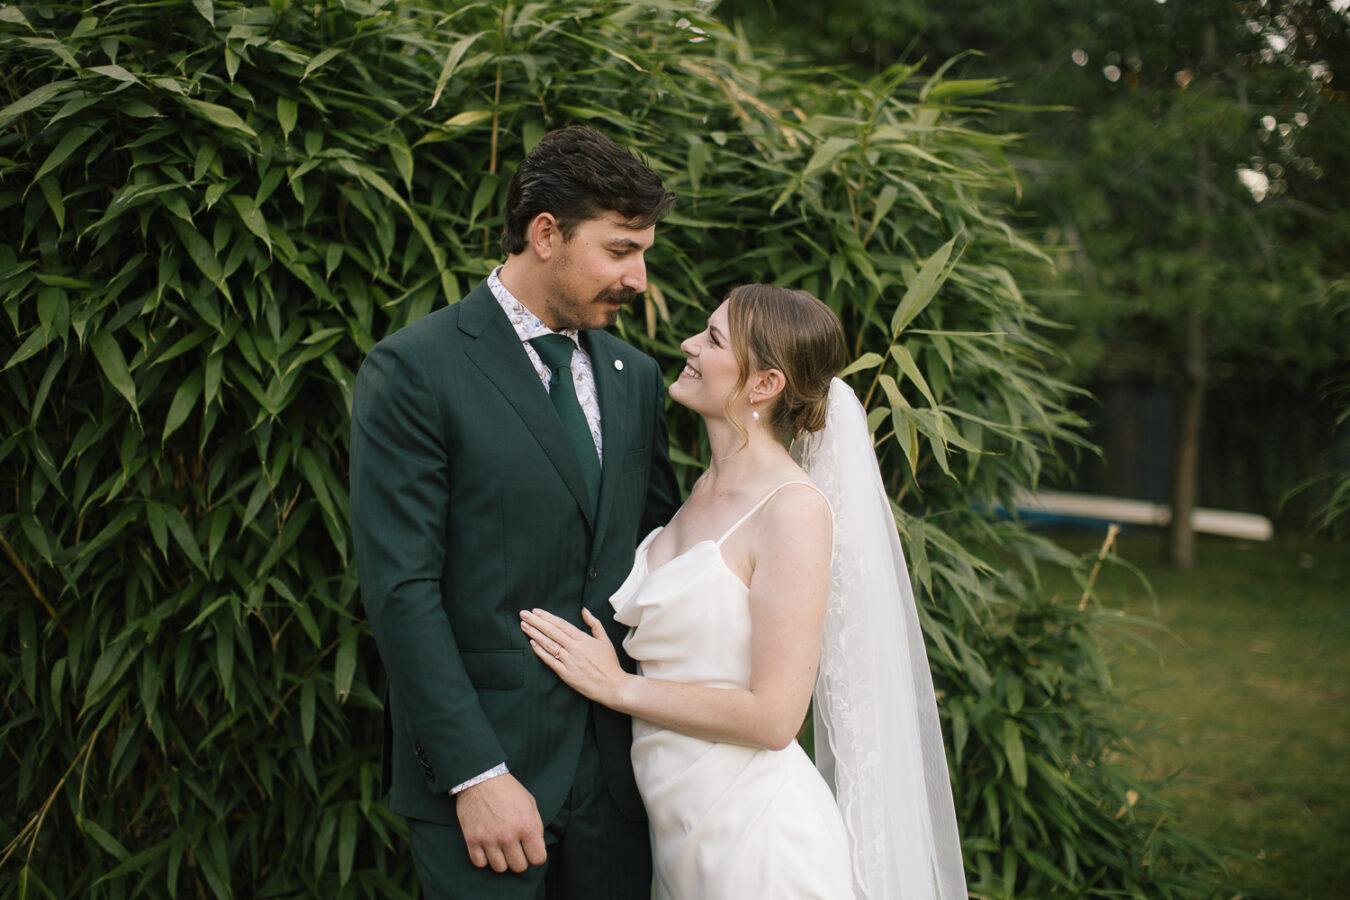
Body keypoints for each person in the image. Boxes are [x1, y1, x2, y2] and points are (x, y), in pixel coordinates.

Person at [519, 285, 968, 899]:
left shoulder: (792, 512)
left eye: (713, 339)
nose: (689, 345)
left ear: (764, 385)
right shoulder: (699, 489)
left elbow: (776, 716)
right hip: (677, 826)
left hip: (757, 838)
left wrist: (618, 686)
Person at [349, 125, 680, 900]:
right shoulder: (414, 369)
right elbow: (400, 588)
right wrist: (475, 773)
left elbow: (661, 552)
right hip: (488, 779)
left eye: (644, 253)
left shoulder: (637, 376)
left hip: (621, 781)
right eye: (621, 250)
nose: (638, 278)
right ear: (545, 235)